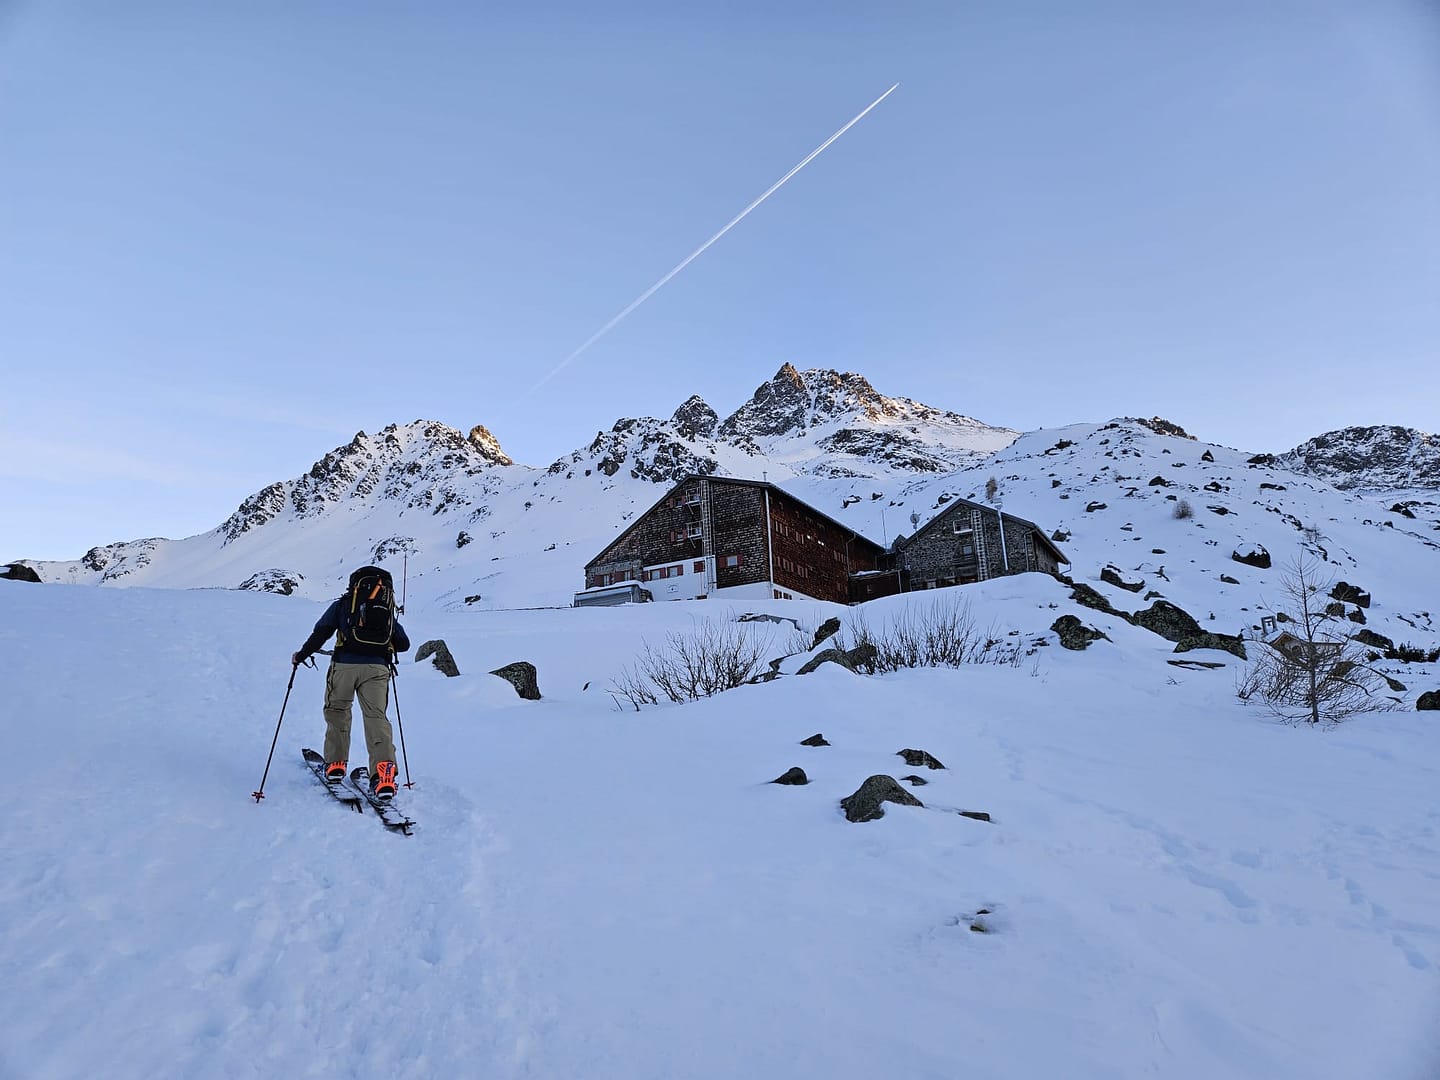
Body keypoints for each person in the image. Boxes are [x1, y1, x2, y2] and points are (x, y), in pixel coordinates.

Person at [292, 565, 411, 800]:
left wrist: (302, 655)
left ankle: (335, 764)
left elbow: (322, 632)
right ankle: (383, 774)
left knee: (337, 711)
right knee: (376, 718)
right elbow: (404, 644)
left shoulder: (344, 604)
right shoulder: (386, 610)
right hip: (377, 669)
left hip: (344, 665)